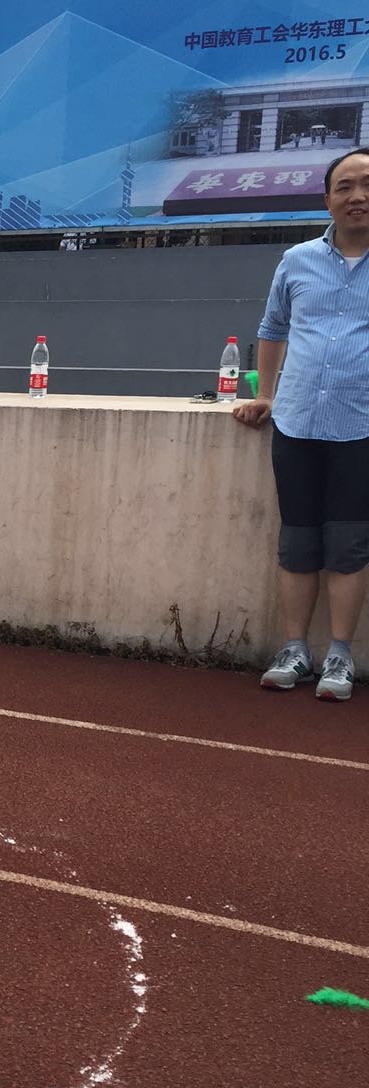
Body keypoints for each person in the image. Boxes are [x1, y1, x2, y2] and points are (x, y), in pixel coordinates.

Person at [232, 146, 369, 701]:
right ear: (327, 199)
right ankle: (294, 649)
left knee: (349, 545)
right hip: (297, 423)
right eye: (346, 186)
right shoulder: (297, 259)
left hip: (362, 427)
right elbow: (273, 328)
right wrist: (265, 395)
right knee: (298, 541)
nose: (358, 196)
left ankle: (340, 654)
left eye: (367, 184)